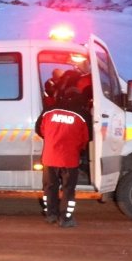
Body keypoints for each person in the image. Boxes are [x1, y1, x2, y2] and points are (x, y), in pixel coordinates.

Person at [35, 89, 90, 228]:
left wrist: (52, 139)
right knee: (68, 189)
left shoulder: (49, 111)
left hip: (50, 157)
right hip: (69, 159)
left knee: (49, 187)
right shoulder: (82, 115)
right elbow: (87, 138)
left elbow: (39, 129)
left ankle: (51, 215)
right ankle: (65, 219)